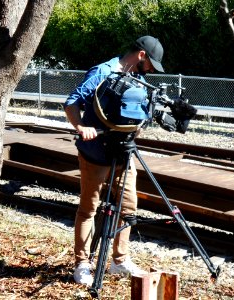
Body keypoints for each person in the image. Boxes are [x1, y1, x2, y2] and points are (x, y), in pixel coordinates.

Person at [64, 36, 165, 286]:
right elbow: (71, 102)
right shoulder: (103, 72)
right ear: (141, 55)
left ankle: (119, 261)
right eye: (151, 63)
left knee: (128, 208)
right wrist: (81, 126)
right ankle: (82, 264)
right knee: (88, 209)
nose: (151, 70)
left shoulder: (139, 80)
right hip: (95, 153)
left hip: (124, 154)